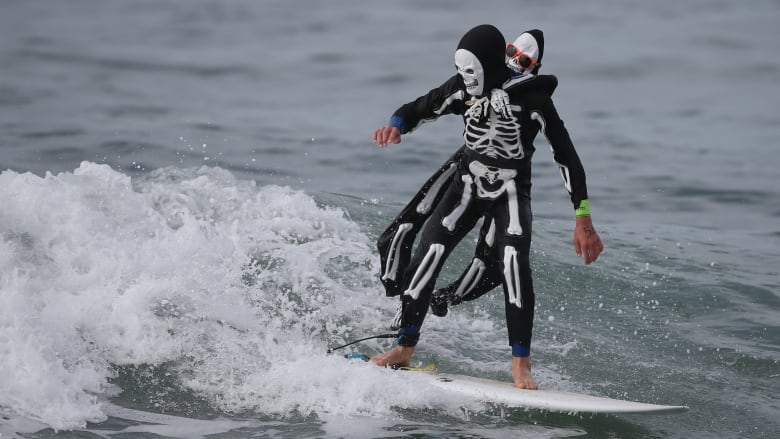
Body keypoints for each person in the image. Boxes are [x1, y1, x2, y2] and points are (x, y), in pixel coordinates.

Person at [371, 25, 603, 389]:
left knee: (512, 263)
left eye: (471, 71)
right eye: (462, 70)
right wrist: (396, 126)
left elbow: (567, 157)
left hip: (511, 188)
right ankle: (404, 346)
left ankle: (520, 364)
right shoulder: (462, 90)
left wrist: (583, 218)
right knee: (428, 251)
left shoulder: (534, 99)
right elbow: (417, 108)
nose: (465, 78)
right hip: (467, 182)